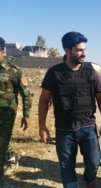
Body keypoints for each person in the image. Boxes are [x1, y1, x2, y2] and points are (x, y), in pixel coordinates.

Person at [38, 31, 101, 188]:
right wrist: (42, 127)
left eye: (85, 49)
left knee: (94, 163)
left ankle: (89, 179)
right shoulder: (54, 73)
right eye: (79, 50)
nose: (84, 53)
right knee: (66, 167)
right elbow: (43, 100)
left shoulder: (91, 71)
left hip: (88, 127)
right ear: (67, 50)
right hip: (64, 130)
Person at [0, 37, 32, 178]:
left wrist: (26, 114)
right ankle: (12, 156)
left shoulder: (15, 71)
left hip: (7, 113)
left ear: (3, 52)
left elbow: (26, 94)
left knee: (2, 141)